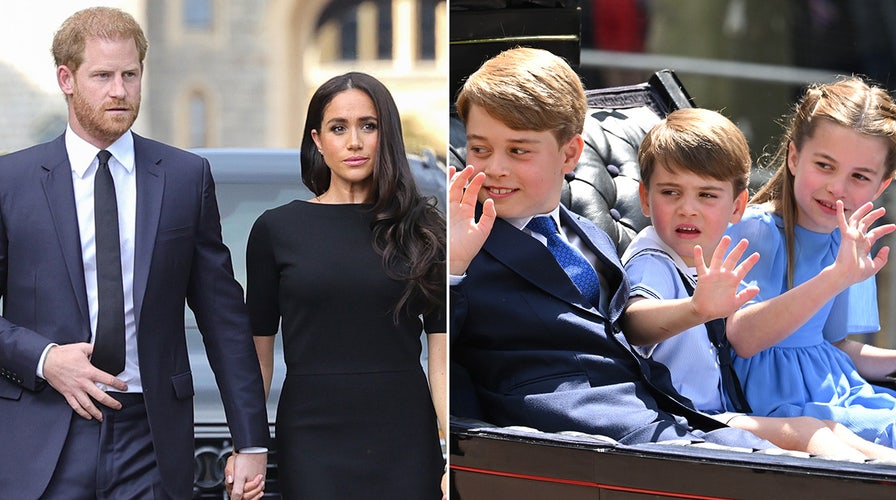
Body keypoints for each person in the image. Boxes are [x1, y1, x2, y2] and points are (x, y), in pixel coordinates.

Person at [0, 7, 270, 499]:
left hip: (149, 437)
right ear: (66, 78)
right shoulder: (10, 182)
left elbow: (224, 319)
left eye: (130, 74)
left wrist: (251, 439)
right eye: (102, 75)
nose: (119, 91)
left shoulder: (185, 179)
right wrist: (44, 358)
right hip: (41, 431)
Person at [450, 46, 772, 449]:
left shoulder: (589, 234)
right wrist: (454, 267)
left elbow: (622, 330)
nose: (494, 167)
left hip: (658, 409)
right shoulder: (460, 243)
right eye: (480, 149)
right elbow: (430, 349)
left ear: (569, 154)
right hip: (570, 430)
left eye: (518, 150)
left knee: (808, 458)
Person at [621, 107, 896, 460]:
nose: (688, 209)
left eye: (706, 195)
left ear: (735, 206)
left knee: (839, 434)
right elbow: (632, 322)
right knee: (814, 431)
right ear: (645, 198)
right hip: (697, 415)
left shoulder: (842, 241)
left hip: (735, 407)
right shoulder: (655, 256)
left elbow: (834, 345)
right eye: (671, 193)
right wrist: (695, 309)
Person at [239, 72, 447, 498]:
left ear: (386, 133)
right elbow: (257, 359)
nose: (354, 142)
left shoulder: (424, 230)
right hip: (311, 435)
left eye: (368, 126)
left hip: (405, 436)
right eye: (339, 128)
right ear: (317, 140)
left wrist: (454, 455)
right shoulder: (276, 231)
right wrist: (250, 444)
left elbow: (441, 358)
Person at [722, 76, 896, 448]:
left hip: (842, 393)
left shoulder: (848, 239)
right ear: (794, 157)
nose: (838, 187)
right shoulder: (752, 230)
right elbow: (743, 339)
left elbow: (833, 346)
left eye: (860, 176)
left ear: (882, 185)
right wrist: (835, 277)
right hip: (785, 409)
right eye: (825, 165)